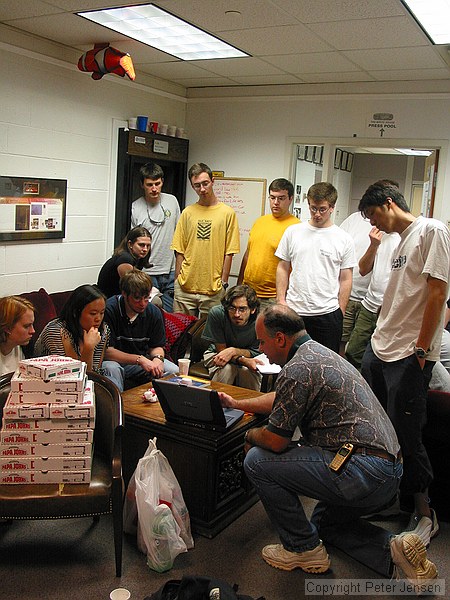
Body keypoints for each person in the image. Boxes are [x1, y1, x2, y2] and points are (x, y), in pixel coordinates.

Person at [218, 304, 437, 589]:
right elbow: (283, 398)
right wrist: (237, 404)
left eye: (262, 341)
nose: (261, 349)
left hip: (361, 471)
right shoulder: (320, 355)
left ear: (281, 339)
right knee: (324, 523)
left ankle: (301, 549)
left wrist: (249, 436)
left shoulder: (297, 368)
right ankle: (394, 553)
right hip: (388, 471)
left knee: (258, 460)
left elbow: (275, 440)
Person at [359, 181, 450, 548]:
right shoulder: (398, 242)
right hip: (380, 347)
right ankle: (391, 502)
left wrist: (422, 349)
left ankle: (425, 514)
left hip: (408, 355)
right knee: (380, 431)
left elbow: (438, 291)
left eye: (373, 214)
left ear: (389, 203)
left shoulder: (432, 230)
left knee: (408, 437)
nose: (372, 223)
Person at [275, 182, 355, 353]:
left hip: (327, 313)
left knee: (325, 365)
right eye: (313, 208)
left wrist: (340, 310)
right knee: (290, 361)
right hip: (295, 311)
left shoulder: (343, 238)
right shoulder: (293, 232)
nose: (317, 214)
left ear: (332, 207)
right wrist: (281, 300)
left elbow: (346, 277)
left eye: (322, 209)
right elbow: (282, 266)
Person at [171, 162, 240, 318]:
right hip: (185, 287)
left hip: (213, 289)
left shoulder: (227, 213)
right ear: (191, 186)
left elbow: (229, 252)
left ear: (212, 181)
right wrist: (177, 280)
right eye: (197, 185)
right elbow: (179, 249)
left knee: (208, 337)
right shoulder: (187, 212)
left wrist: (223, 282)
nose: (202, 189)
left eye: (205, 183)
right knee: (180, 334)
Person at [34, 285, 122, 389]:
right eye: (93, 313)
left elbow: (93, 375)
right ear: (76, 312)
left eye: (102, 313)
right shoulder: (56, 331)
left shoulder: (102, 329)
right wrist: (89, 348)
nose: (98, 318)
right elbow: (74, 378)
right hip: (51, 383)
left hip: (84, 381)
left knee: (112, 372)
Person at [104, 269, 178, 391]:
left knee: (174, 371)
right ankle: (119, 407)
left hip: (143, 359)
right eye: (137, 298)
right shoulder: (110, 310)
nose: (143, 303)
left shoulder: (153, 312)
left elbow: (157, 346)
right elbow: (107, 352)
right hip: (116, 361)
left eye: (146, 298)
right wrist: (139, 360)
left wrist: (158, 359)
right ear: (124, 294)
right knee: (111, 368)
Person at [237, 178, 299, 311]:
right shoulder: (260, 221)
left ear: (290, 199)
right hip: (248, 292)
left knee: (267, 332)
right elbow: (248, 255)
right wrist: (239, 285)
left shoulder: (296, 227)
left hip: (272, 297)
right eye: (272, 198)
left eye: (281, 198)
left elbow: (297, 266)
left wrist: (283, 297)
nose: (276, 203)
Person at [345, 224, 400, 369]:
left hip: (390, 311)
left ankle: (374, 389)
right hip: (369, 305)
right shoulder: (381, 236)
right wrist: (374, 245)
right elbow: (363, 269)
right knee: (353, 352)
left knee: (381, 359)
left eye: (373, 215)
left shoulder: (404, 238)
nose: (372, 221)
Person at [131, 162, 180, 312]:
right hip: (148, 273)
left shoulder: (172, 201)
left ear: (162, 182)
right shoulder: (136, 207)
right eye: (149, 184)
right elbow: (135, 244)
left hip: (170, 270)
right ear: (142, 185)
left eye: (157, 184)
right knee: (151, 314)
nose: (154, 189)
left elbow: (180, 234)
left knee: (170, 317)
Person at [202, 285, 263, 390]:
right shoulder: (218, 314)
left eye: (242, 309)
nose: (236, 314)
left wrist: (234, 351)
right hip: (216, 354)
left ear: (253, 309)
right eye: (232, 308)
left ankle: (249, 404)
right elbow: (221, 352)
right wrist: (242, 360)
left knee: (247, 372)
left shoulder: (261, 321)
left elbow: (256, 351)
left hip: (251, 358)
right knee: (227, 369)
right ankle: (214, 403)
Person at [339, 211, 373, 352]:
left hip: (370, 300)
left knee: (359, 348)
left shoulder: (389, 228)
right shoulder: (353, 219)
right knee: (340, 339)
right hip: (348, 294)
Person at [97, 226, 152, 299]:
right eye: (141, 245)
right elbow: (133, 287)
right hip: (109, 300)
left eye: (148, 246)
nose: (145, 249)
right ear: (130, 244)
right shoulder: (125, 259)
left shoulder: (138, 258)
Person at [0, 296, 35, 376]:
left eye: (32, 325)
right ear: (7, 328)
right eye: (26, 326)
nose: (33, 331)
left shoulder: (27, 346)